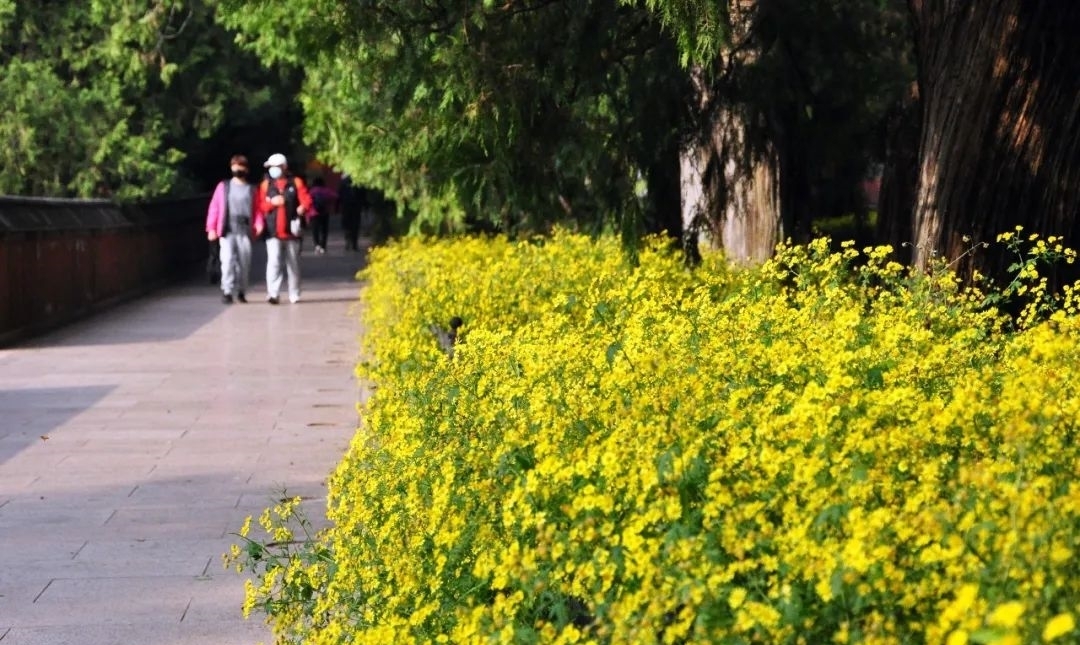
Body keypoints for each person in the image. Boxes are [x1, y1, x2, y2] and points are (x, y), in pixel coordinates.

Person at [255, 153, 313, 305]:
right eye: (271, 167)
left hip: (292, 232)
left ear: (284, 167)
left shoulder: (296, 182)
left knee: (294, 264)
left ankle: (294, 293)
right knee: (273, 262)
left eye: (275, 167)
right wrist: (272, 203)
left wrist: (302, 207)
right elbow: (260, 206)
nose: (272, 170)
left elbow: (307, 200)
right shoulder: (265, 185)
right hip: (273, 232)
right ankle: (273, 293)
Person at [205, 154, 257, 304]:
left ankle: (242, 290)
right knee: (227, 261)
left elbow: (257, 210)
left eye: (240, 166)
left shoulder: (251, 189)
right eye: (235, 166)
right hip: (227, 230)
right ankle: (227, 290)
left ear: (246, 169)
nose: (237, 169)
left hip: (245, 230)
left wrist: (258, 224)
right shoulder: (224, 187)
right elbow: (214, 207)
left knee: (244, 264)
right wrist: (211, 228)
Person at [308, 177, 338, 254]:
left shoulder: (312, 191)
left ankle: (317, 245)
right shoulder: (326, 190)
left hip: (313, 213)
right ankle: (323, 246)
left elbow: (307, 200)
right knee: (324, 230)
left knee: (315, 230)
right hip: (324, 213)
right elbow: (335, 196)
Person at [338, 174, 363, 251]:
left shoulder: (343, 183)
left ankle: (348, 242)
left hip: (346, 206)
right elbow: (362, 194)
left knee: (347, 225)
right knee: (355, 225)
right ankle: (354, 244)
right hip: (356, 206)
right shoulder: (358, 182)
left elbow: (339, 195)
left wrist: (337, 206)